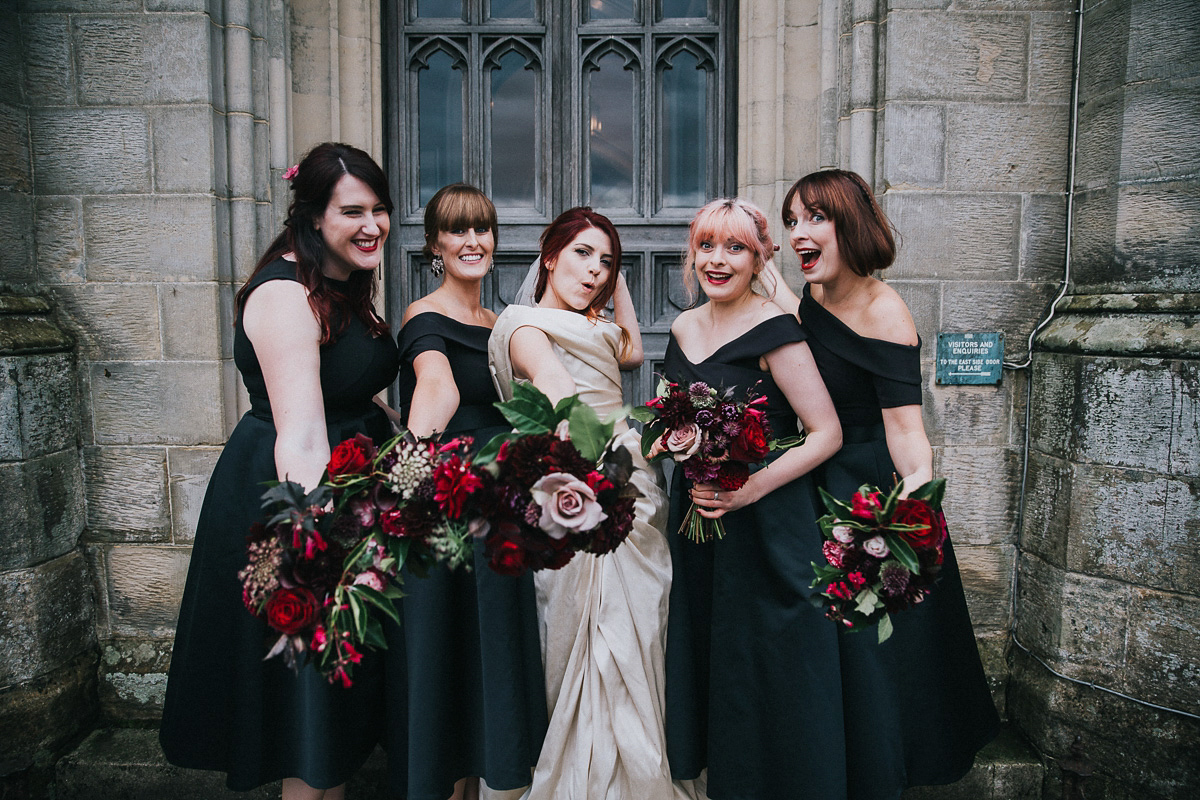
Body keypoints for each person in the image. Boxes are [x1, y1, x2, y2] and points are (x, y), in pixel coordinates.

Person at [160, 143, 399, 798]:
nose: (373, 224)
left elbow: (346, 392)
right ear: (314, 216)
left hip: (348, 489)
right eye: (353, 211)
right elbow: (299, 433)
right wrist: (317, 552)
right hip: (296, 500)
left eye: (380, 209)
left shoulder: (341, 283)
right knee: (306, 715)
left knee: (333, 717)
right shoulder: (284, 294)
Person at [769, 168, 1000, 799]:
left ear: (851, 223)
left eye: (814, 217)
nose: (799, 233)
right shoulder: (807, 300)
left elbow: (906, 432)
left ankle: (875, 775)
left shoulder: (885, 309)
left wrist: (907, 516)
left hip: (869, 491)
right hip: (813, 483)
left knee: (876, 652)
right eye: (792, 221)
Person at [486, 208, 695, 800]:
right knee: (577, 628)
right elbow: (558, 394)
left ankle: (634, 763)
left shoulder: (595, 323)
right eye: (581, 254)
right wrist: (602, 475)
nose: (595, 271)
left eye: (606, 262)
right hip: (577, 481)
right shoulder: (524, 326)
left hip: (632, 481)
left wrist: (612, 273)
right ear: (548, 257)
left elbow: (628, 349)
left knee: (639, 627)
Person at [661, 198, 845, 799]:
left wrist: (749, 489)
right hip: (697, 516)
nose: (718, 260)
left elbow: (827, 433)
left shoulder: (776, 329)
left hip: (766, 519)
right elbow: (666, 415)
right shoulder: (684, 329)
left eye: (735, 248)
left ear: (760, 256)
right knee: (709, 651)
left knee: (767, 660)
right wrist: (672, 441)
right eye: (708, 246)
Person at [385, 184, 546, 800]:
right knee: (447, 660)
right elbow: (436, 388)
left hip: (500, 511)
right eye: (457, 230)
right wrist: (407, 472)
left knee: (489, 662)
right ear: (434, 244)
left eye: (482, 229)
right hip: (446, 508)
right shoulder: (423, 316)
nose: (473, 241)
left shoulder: (502, 324)